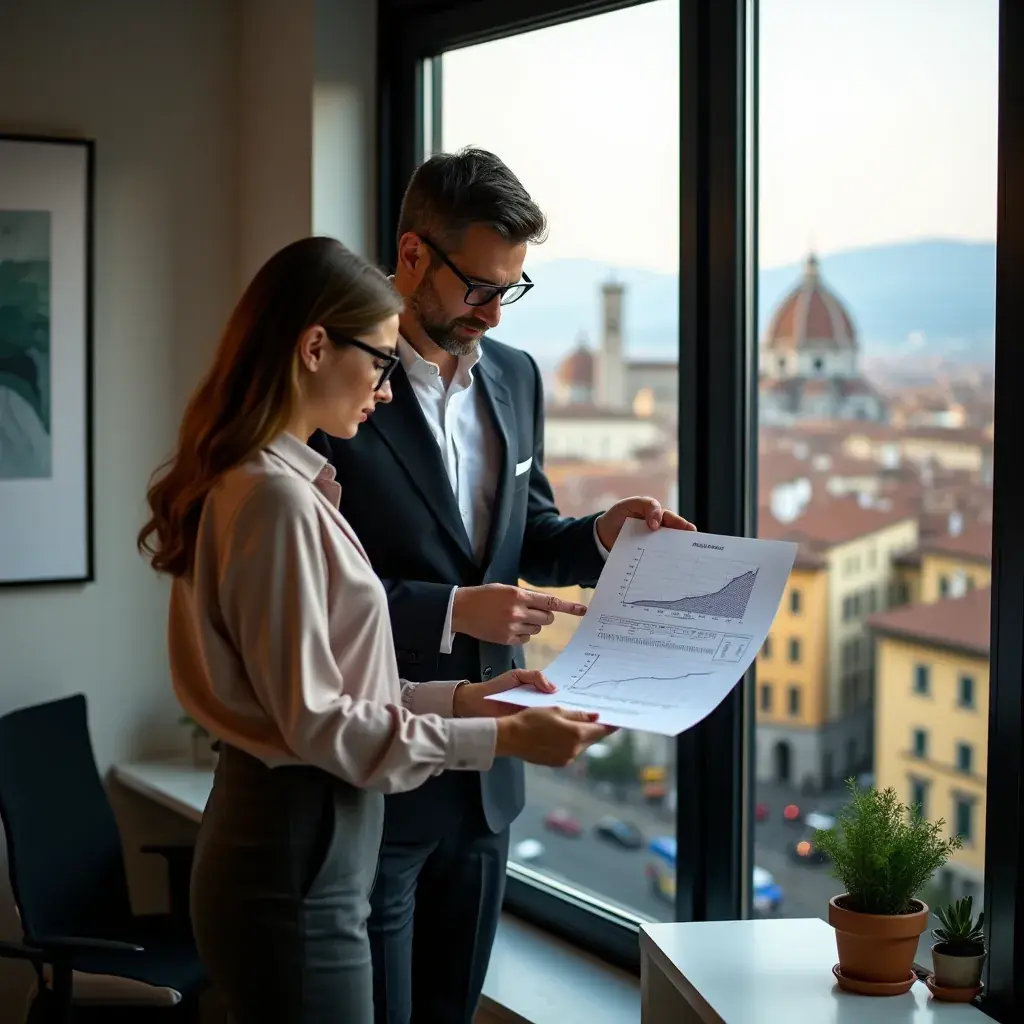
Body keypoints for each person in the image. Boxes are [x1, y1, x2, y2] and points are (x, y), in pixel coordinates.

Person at [136, 236, 612, 1024]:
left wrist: (469, 699)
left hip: (305, 844)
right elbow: (323, 723)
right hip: (299, 852)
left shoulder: (282, 484)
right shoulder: (275, 501)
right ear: (315, 347)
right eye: (382, 363)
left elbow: (332, 690)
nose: (388, 390)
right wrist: (503, 740)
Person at [308, 148, 696, 1024]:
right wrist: (450, 609)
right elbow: (320, 592)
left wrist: (604, 533)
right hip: (382, 757)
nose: (490, 313)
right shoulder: (339, 385)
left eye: (509, 291)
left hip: (492, 784)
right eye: (478, 287)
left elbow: (531, 539)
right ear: (411, 256)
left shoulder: (516, 378)